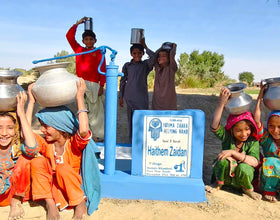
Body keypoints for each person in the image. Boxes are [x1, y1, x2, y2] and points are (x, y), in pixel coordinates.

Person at [26, 79, 101, 220]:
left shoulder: (73, 144)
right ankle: (50, 206)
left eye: (46, 126)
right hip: (53, 189)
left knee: (62, 168)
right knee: (37, 162)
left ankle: (80, 204)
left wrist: (80, 98)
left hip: (72, 187)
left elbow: (84, 130)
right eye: (41, 125)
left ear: (60, 126)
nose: (42, 130)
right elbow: (26, 135)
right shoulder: (47, 144)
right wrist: (30, 102)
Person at [205, 87, 262, 200]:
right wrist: (221, 103)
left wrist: (233, 153)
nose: (244, 134)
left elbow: (255, 162)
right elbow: (214, 125)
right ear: (231, 130)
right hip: (226, 180)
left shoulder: (252, 141)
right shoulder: (228, 138)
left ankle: (247, 189)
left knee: (245, 168)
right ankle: (218, 184)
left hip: (241, 181)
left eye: (247, 129)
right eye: (239, 130)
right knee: (222, 161)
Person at [66, 16, 106, 142]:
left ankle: (97, 136)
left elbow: (103, 69)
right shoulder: (79, 50)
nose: (89, 41)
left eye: (91, 39)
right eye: (86, 39)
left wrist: (101, 86)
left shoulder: (99, 52)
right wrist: (77, 23)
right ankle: (84, 134)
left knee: (96, 111)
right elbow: (69, 36)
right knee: (82, 108)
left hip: (94, 85)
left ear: (95, 40)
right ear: (83, 41)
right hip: (81, 83)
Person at [0, 91, 37, 220]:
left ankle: (15, 202)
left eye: (10, 128)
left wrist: (21, 112)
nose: (4, 133)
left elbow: (32, 148)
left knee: (26, 159)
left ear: (15, 130)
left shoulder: (16, 148)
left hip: (14, 194)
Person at [118, 39, 156, 141]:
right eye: (134, 53)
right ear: (131, 54)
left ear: (143, 54)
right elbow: (122, 81)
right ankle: (131, 141)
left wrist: (145, 45)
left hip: (141, 98)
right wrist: (121, 97)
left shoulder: (145, 65)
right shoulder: (127, 66)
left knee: (142, 120)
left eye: (139, 53)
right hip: (129, 98)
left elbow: (154, 57)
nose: (137, 55)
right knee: (131, 120)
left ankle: (142, 141)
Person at [254, 82, 280, 203]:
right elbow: (256, 120)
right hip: (269, 179)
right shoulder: (266, 139)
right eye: (271, 126)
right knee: (272, 161)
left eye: (279, 127)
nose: (275, 130)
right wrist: (260, 98)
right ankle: (269, 191)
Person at [152, 43, 178, 110]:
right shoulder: (157, 68)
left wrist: (174, 47)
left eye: (164, 56)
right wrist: (161, 47)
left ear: (169, 58)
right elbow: (154, 56)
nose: (160, 58)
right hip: (157, 104)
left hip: (169, 105)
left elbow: (172, 55)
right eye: (159, 56)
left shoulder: (171, 68)